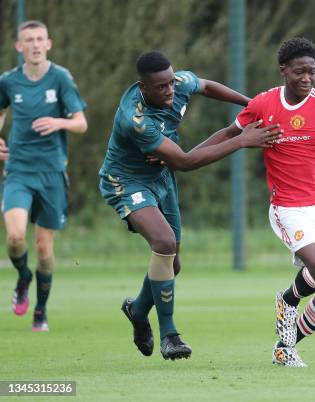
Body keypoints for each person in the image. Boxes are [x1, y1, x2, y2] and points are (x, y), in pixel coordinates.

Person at [98, 50, 281, 360]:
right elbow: (183, 162)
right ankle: (170, 335)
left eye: (171, 83)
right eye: (161, 87)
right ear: (143, 88)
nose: (170, 90)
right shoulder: (136, 119)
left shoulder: (178, 82)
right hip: (126, 182)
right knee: (164, 242)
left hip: (161, 179)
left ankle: (138, 309)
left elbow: (206, 86)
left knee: (173, 263)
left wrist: (251, 104)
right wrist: (240, 140)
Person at [205, 37, 315, 366]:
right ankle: (287, 299)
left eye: (312, 72)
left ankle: (285, 346)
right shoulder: (264, 104)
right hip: (288, 207)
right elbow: (228, 134)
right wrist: (184, 156)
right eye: (299, 72)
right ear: (284, 71)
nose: (307, 78)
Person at [0, 20, 88, 332]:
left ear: (48, 44)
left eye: (40, 39)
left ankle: (41, 309)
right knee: (14, 237)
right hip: (18, 171)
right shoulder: (8, 82)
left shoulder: (60, 78)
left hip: (52, 173)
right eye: (29, 40)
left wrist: (58, 123)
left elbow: (81, 123)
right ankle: (23, 276)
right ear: (19, 47)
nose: (35, 44)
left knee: (43, 248)